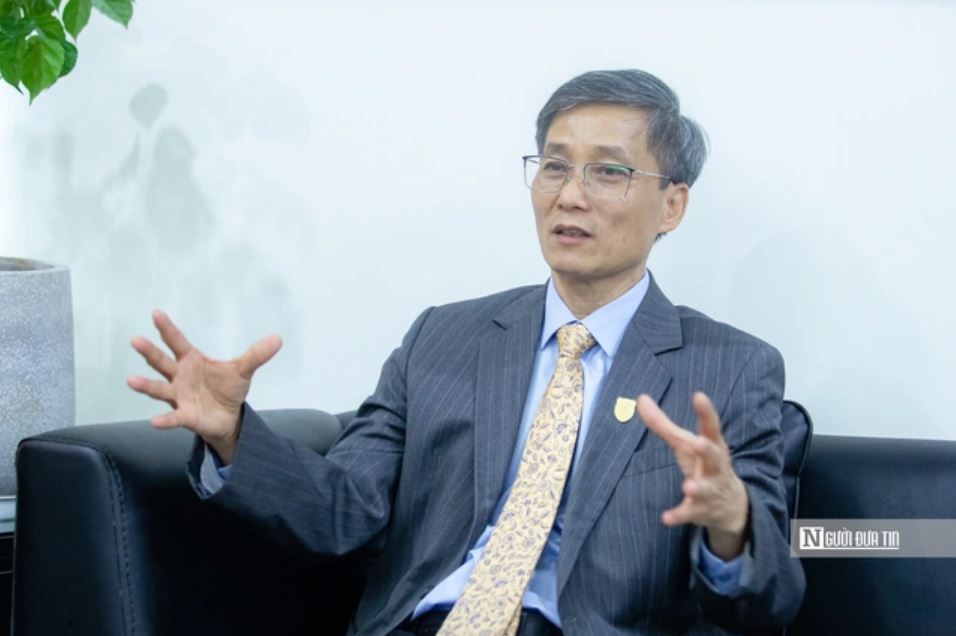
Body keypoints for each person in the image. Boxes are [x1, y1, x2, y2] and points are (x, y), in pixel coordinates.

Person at [128, 69, 805, 635]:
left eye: (608, 172)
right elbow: (342, 511)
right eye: (554, 166)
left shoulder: (729, 369)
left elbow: (768, 602)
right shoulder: (443, 338)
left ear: (672, 205)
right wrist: (233, 436)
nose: (570, 195)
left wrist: (732, 526)